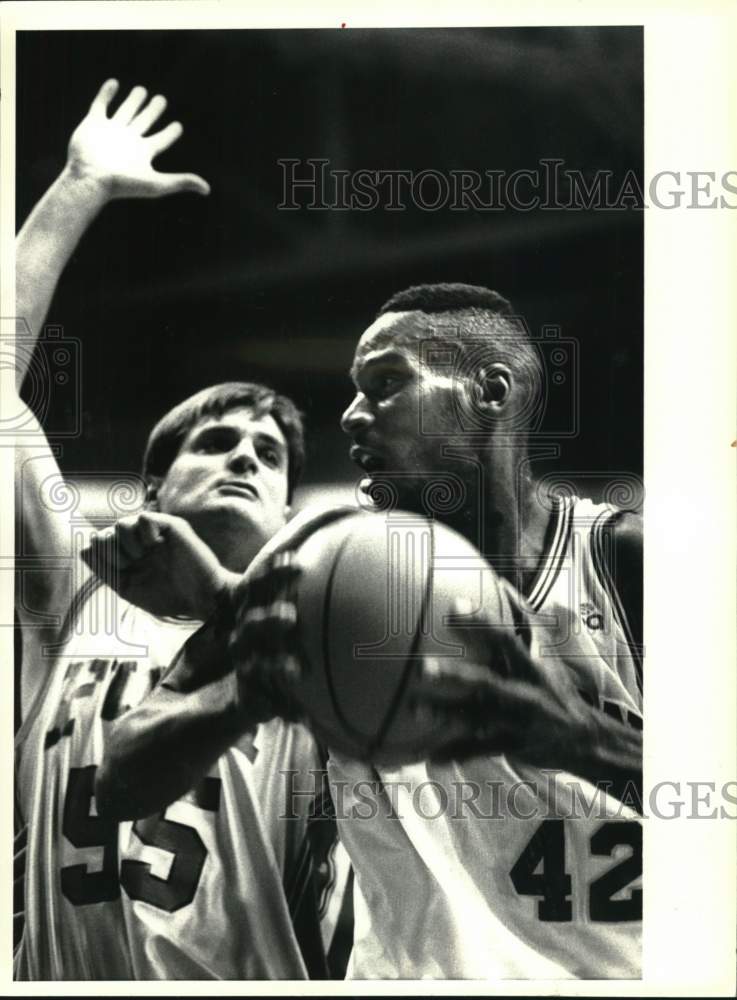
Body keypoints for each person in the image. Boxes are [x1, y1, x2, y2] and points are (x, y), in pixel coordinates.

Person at [96, 283, 643, 979]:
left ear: (490, 391)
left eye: (386, 384)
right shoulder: (321, 569)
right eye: (354, 391)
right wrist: (244, 693)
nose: (352, 416)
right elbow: (119, 782)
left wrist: (584, 740)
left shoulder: (620, 562)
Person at [13, 79, 347, 980]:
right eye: (217, 440)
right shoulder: (73, 597)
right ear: (153, 485)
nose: (246, 455)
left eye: (270, 452)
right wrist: (79, 187)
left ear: (287, 511)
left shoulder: (320, 618)